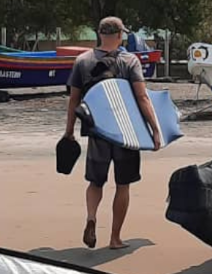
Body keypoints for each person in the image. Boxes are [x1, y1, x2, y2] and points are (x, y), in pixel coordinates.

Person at [63, 16, 162, 250]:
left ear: (99, 34)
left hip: (96, 129)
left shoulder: (82, 61)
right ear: (120, 35)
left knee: (95, 182)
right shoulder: (129, 61)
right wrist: (155, 129)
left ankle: (91, 217)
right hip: (126, 131)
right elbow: (142, 97)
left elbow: (74, 101)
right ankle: (115, 238)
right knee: (123, 185)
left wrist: (69, 132)